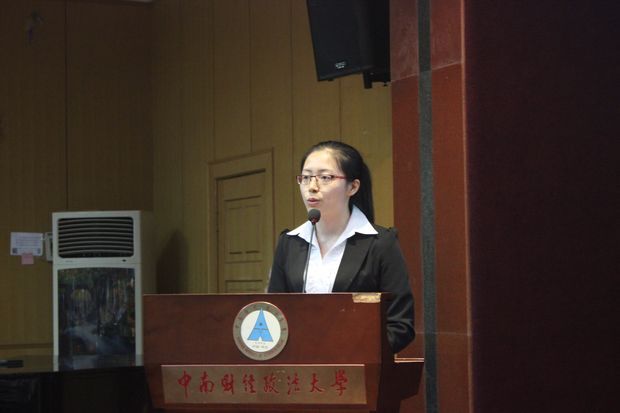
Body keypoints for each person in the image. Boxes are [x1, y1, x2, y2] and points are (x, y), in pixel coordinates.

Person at [268, 140, 415, 353]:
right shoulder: (289, 243)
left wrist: (346, 354)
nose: (312, 187)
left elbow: (400, 325)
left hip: (355, 367)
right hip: (299, 367)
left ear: (353, 187)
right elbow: (275, 315)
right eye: (306, 177)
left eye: (325, 177)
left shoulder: (381, 243)